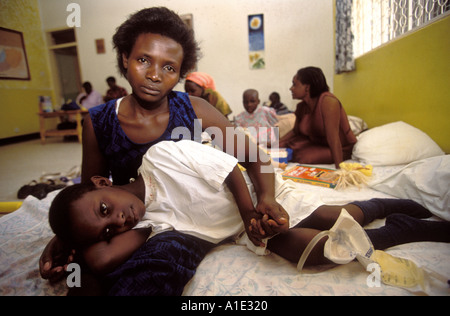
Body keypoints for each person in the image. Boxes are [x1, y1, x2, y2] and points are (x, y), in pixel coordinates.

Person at [39, 7, 285, 296]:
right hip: (128, 221)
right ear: (125, 58)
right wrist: (67, 236)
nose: (155, 75)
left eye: (169, 67)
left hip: (184, 222)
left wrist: (266, 196)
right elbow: (89, 193)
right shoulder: (99, 121)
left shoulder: (195, 110)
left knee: (157, 266)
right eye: (143, 60)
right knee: (87, 270)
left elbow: (255, 158)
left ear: (180, 72)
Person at [48, 140, 450, 276]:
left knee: (328, 215)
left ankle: (383, 203)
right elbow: (100, 259)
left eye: (105, 209)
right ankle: (400, 229)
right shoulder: (149, 223)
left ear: (102, 183)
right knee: (321, 252)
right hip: (247, 232)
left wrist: (252, 213)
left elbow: (228, 171)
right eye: (108, 229)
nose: (118, 221)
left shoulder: (159, 157)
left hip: (255, 201)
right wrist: (63, 248)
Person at [279, 67, 357, 169]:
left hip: (340, 148)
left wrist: (340, 170)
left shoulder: (328, 102)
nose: (291, 88)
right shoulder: (301, 107)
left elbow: (333, 138)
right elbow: (295, 132)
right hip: (316, 143)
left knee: (302, 156)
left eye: (294, 84)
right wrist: (277, 143)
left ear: (307, 87)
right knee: (284, 146)